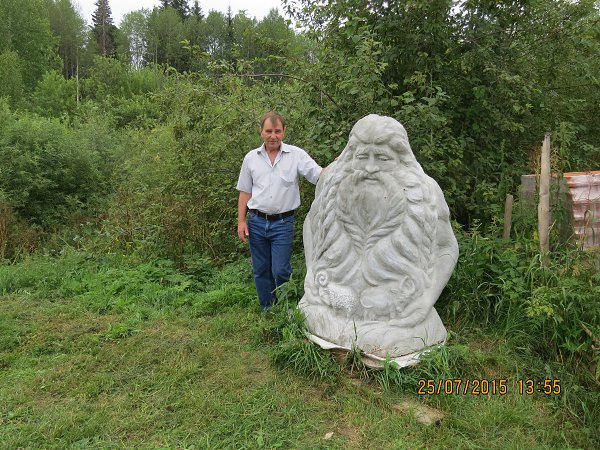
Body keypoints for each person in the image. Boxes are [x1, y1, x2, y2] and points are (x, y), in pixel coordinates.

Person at [236, 112, 323, 310]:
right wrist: (241, 221)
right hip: (256, 222)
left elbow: (318, 174)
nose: (273, 136)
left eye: (277, 131)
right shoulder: (251, 158)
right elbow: (245, 191)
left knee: (280, 269)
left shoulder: (296, 155)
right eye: (268, 131)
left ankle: (285, 308)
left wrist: (339, 165)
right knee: (260, 269)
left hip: (283, 223)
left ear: (284, 132)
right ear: (261, 132)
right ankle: (268, 309)